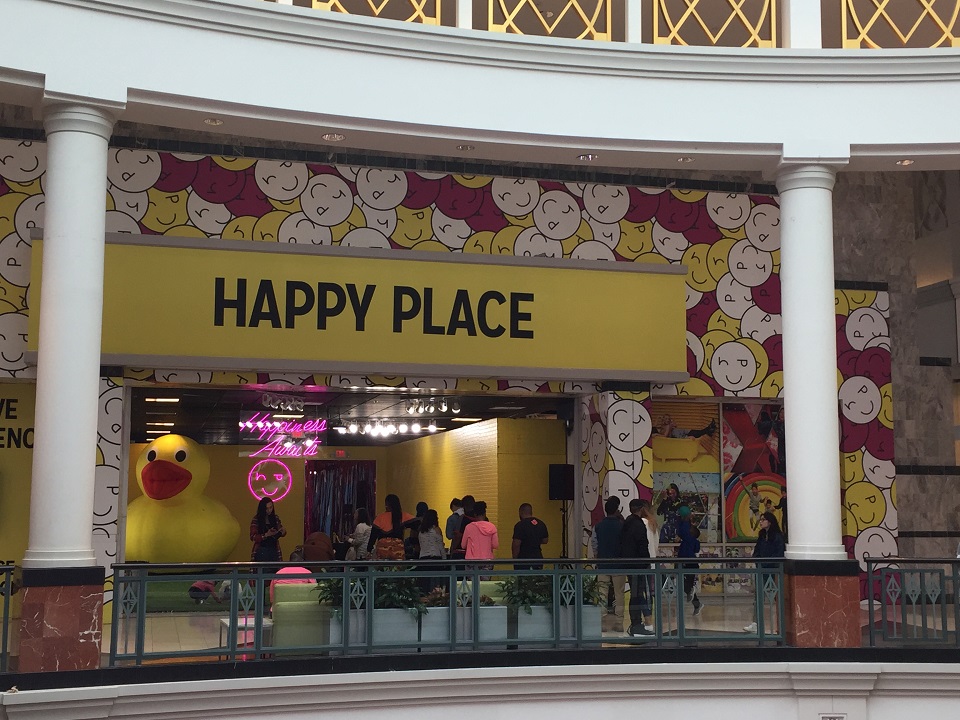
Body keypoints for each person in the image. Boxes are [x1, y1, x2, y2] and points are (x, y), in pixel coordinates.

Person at [743, 511, 786, 633]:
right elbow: (757, 551)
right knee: (758, 597)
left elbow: (779, 553)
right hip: (761, 570)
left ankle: (782, 624)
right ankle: (756, 623)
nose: (761, 522)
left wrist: (767, 563)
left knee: (777, 597)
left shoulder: (777, 536)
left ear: (770, 522)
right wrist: (758, 561)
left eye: (763, 520)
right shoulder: (762, 536)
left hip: (773, 571)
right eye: (760, 520)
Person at [620, 498, 652, 637]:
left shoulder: (626, 523)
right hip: (639, 565)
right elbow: (642, 545)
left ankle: (635, 623)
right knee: (639, 594)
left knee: (635, 595)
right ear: (642, 509)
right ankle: (637, 625)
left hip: (629, 564)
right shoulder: (639, 525)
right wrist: (646, 562)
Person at [593, 496, 625, 623]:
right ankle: (619, 618)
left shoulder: (598, 526)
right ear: (616, 510)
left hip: (602, 563)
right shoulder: (622, 526)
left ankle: (602, 617)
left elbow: (595, 544)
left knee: (602, 592)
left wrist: (597, 557)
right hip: (619, 564)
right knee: (619, 593)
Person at [368, 494, 414, 560]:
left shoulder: (379, 518)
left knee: (382, 566)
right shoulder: (403, 516)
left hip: (382, 550)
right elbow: (416, 522)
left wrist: (369, 550)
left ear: (386, 505)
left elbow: (373, 536)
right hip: (398, 549)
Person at [676, 505, 703, 615]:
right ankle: (696, 603)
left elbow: (681, 531)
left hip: (685, 562)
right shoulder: (691, 538)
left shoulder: (685, 533)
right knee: (687, 585)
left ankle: (695, 601)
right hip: (689, 562)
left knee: (686, 584)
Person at [638, 500, 659, 632]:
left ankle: (647, 619)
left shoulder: (642, 523)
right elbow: (656, 544)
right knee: (650, 592)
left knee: (640, 591)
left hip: (644, 561)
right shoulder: (653, 524)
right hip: (653, 561)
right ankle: (650, 617)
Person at [462, 500, 498, 565]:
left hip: (471, 561)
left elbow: (463, 545)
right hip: (487, 560)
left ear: (475, 514)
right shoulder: (492, 527)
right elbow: (495, 545)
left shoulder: (469, 527)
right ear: (485, 513)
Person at [511, 502, 548, 567]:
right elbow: (545, 540)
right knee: (537, 573)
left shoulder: (520, 525)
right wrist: (535, 540)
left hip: (523, 558)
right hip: (538, 558)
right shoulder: (541, 523)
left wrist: (515, 558)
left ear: (521, 512)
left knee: (523, 574)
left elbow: (516, 544)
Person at [250, 497, 286, 562]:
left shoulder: (275, 518)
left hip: (274, 549)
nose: (269, 510)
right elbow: (253, 537)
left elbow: (281, 530)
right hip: (261, 549)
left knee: (274, 567)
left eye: (271, 507)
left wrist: (282, 531)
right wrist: (266, 535)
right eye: (266, 508)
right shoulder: (257, 519)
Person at [450, 494, 476, 561]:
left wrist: (453, 549)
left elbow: (458, 536)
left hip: (461, 552)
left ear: (464, 507)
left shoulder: (463, 518)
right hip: (476, 551)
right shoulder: (480, 519)